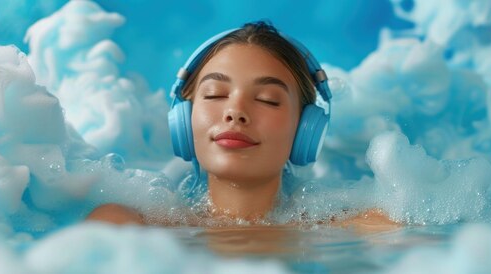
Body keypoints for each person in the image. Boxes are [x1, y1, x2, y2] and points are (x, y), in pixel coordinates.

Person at [87, 21, 397, 230]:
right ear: (184, 119)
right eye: (215, 94)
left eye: (267, 99)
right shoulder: (123, 227)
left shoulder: (366, 229)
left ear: (305, 129)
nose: (235, 112)